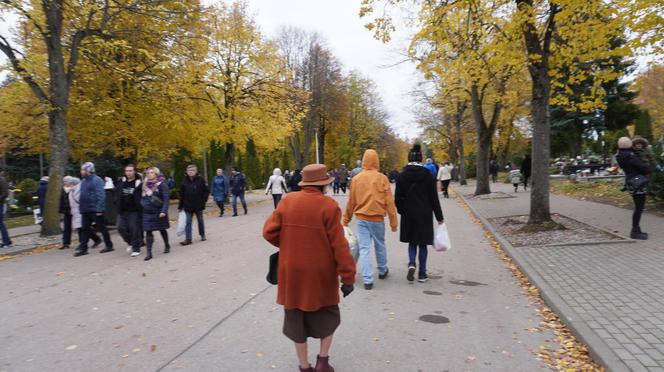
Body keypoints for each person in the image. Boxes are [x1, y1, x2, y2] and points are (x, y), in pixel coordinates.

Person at [263, 163, 356, 372]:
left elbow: (269, 232)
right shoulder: (329, 206)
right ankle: (322, 362)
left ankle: (304, 367)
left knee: (296, 319)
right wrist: (348, 277)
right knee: (329, 315)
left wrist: (289, 244)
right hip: (320, 273)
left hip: (291, 271)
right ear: (323, 184)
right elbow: (339, 246)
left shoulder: (288, 202)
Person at [343, 149, 397, 290]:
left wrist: (346, 219)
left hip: (361, 219)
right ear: (376, 161)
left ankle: (367, 279)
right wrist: (393, 222)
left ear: (364, 161)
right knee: (380, 244)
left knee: (364, 248)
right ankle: (382, 270)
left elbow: (351, 202)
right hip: (378, 218)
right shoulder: (382, 178)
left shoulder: (356, 179)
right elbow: (390, 202)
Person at [395, 144, 444, 283]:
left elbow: (397, 198)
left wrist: (401, 210)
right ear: (421, 159)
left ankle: (411, 263)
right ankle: (422, 273)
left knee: (412, 242)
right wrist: (439, 217)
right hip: (425, 213)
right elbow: (434, 198)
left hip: (409, 213)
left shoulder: (402, 176)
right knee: (422, 244)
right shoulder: (428, 175)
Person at [74, 162, 113, 257]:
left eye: (83, 170)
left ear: (89, 170)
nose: (81, 171)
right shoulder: (83, 181)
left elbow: (101, 195)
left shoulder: (97, 180)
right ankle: (83, 248)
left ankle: (109, 245)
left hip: (95, 209)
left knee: (102, 228)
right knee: (85, 229)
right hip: (85, 209)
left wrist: (100, 209)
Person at [616, 137, 652, 240]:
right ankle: (635, 231)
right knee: (639, 208)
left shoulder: (620, 155)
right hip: (638, 182)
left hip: (631, 182)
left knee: (638, 207)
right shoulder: (631, 156)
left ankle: (637, 229)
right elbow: (644, 168)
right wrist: (647, 168)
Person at [141, 167, 171, 260]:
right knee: (148, 232)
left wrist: (163, 211)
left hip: (158, 211)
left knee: (162, 229)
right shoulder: (144, 185)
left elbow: (166, 199)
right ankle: (149, 253)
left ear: (156, 174)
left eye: (152, 172)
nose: (149, 174)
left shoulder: (162, 184)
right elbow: (142, 197)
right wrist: (142, 204)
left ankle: (167, 245)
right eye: (148, 173)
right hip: (147, 212)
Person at [115, 165, 143, 257]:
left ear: (134, 171)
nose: (128, 173)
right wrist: (115, 201)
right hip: (122, 210)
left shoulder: (138, 183)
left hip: (134, 210)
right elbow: (116, 193)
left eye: (130, 171)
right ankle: (130, 242)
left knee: (133, 229)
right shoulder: (121, 182)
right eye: (127, 171)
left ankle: (136, 248)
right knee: (120, 228)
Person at [178, 165, 210, 245]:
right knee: (188, 222)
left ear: (196, 171)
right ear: (187, 172)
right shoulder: (184, 181)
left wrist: (203, 202)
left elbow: (206, 192)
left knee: (200, 221)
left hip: (198, 205)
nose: (190, 172)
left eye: (192, 170)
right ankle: (188, 239)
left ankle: (202, 235)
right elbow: (181, 194)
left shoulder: (201, 180)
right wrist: (180, 206)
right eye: (189, 170)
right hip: (187, 206)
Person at [69, 176, 102, 250]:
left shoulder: (78, 190)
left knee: (83, 228)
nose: (69, 185)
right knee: (82, 228)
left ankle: (84, 243)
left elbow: (81, 199)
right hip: (76, 212)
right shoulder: (72, 190)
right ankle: (92, 240)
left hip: (81, 211)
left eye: (70, 183)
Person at [59, 176, 75, 249]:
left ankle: (84, 241)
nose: (65, 182)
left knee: (80, 227)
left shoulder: (73, 189)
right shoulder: (62, 190)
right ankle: (65, 243)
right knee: (66, 228)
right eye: (64, 181)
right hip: (66, 211)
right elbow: (60, 200)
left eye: (66, 181)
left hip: (74, 210)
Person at [0, 170, 12, 248]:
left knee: (0, 223)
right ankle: (6, 241)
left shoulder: (1, 180)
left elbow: (5, 193)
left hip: (0, 204)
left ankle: (6, 242)